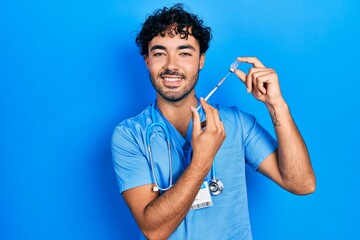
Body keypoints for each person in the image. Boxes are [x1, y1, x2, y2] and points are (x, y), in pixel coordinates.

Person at [111, 4, 316, 240]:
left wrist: (276, 105)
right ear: (147, 61)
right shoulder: (129, 135)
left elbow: (302, 184)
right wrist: (201, 161)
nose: (171, 65)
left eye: (185, 53)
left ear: (201, 60)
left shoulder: (236, 123)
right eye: (159, 53)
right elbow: (154, 231)